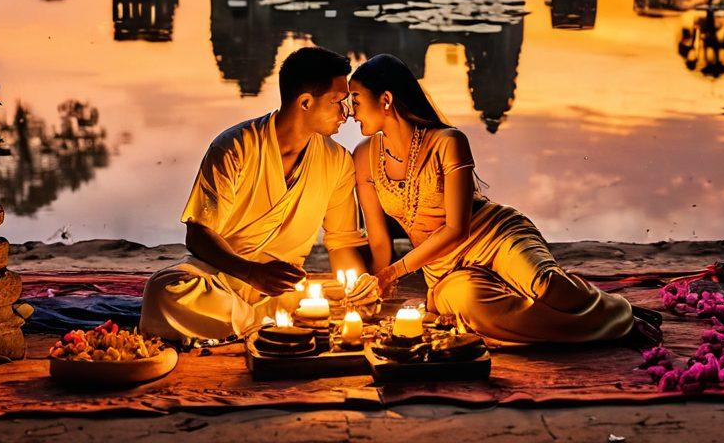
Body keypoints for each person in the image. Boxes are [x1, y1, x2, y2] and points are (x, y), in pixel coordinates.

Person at [348, 53, 660, 346]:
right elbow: (379, 242)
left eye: (357, 101)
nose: (351, 112)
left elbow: (458, 229)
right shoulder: (363, 157)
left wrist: (392, 273)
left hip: (494, 235)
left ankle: (618, 312)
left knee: (550, 287)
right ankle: (610, 325)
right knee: (476, 310)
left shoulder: (448, 142)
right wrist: (374, 287)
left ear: (385, 100)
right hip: (444, 271)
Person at [140, 46, 368, 344]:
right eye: (338, 102)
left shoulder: (337, 161)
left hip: (283, 292)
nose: (346, 113)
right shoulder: (235, 146)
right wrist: (251, 272)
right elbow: (197, 235)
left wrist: (359, 287)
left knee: (331, 300)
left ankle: (268, 323)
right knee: (164, 290)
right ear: (305, 102)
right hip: (221, 277)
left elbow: (342, 243)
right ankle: (268, 326)